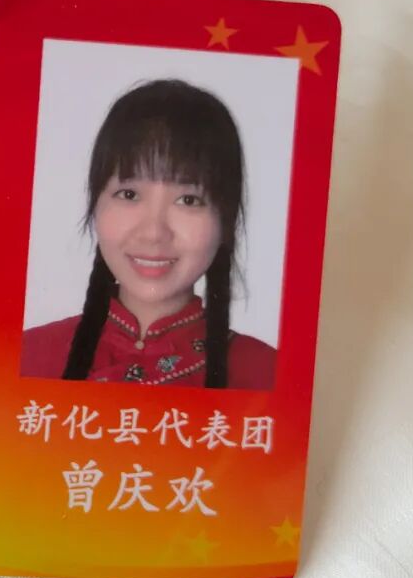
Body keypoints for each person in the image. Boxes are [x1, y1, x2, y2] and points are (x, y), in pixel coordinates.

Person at [21, 79, 275, 389]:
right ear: (96, 205)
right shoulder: (25, 357)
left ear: (226, 222)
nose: (153, 233)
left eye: (189, 200)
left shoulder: (268, 375)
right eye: (129, 194)